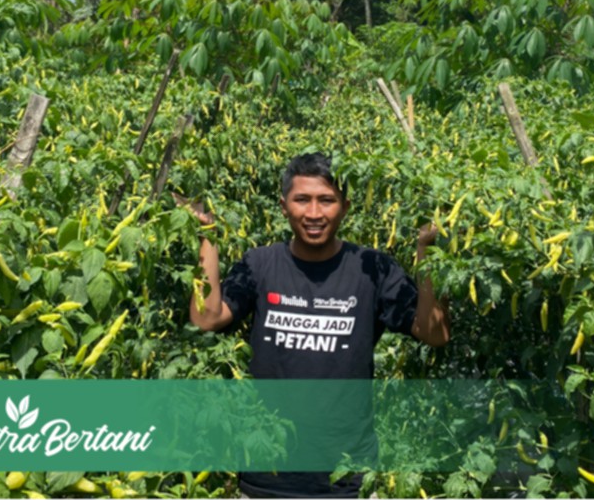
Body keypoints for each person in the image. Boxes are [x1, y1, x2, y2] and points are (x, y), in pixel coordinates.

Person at [181, 152, 450, 498]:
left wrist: (426, 251)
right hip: (267, 474)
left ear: (346, 206)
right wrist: (207, 236)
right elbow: (206, 318)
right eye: (302, 200)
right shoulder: (260, 265)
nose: (313, 213)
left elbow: (435, 333)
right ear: (283, 205)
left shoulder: (372, 269)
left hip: (346, 476)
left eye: (326, 201)